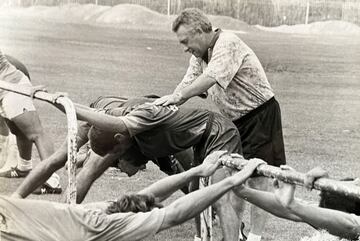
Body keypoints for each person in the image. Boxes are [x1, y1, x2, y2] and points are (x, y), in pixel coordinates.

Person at [13, 95, 244, 241]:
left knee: (214, 194)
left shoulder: (141, 117)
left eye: (115, 156)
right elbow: (62, 161)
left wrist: (68, 106)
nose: (116, 163)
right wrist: (19, 200)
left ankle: (232, 232)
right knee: (195, 186)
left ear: (120, 141)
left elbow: (165, 202)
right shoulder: (98, 123)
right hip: (140, 123)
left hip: (213, 132)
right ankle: (201, 235)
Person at [153, 8, 286, 241]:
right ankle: (235, 233)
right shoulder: (198, 56)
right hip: (234, 122)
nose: (184, 47)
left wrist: (178, 98)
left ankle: (255, 237)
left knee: (258, 178)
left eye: (185, 41)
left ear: (200, 32)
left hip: (260, 116)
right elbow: (188, 83)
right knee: (234, 178)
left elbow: (209, 79)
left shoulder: (227, 43)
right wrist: (166, 105)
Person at [1, 151, 265, 241]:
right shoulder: (109, 226)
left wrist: (195, 171)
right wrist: (233, 180)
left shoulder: (103, 208)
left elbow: (146, 194)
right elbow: (173, 214)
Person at [11, 95, 192, 202]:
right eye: (121, 165)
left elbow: (184, 175)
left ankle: (18, 202)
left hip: (109, 111)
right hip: (108, 117)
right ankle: (17, 202)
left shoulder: (160, 132)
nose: (127, 173)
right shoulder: (125, 135)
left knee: (186, 172)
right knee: (77, 164)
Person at [215, 152, 360, 240]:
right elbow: (288, 208)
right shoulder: (335, 218)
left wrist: (293, 205)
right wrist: (243, 191)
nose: (357, 181)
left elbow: (351, 226)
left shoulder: (349, 224)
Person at [0, 52, 60, 194]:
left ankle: (52, 180)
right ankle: (24, 167)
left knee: (36, 133)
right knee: (17, 130)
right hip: (4, 89)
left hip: (12, 87)